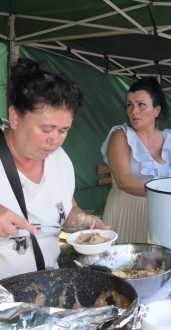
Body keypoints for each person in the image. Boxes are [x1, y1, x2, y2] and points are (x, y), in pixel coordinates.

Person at [0, 58, 107, 280]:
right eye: (47, 129)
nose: (55, 140)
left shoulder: (61, 160)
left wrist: (88, 224)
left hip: (45, 289)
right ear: (15, 117)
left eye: (63, 130)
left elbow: (67, 209)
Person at [101, 77, 171, 244]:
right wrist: (170, 191)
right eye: (130, 105)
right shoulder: (121, 136)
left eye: (141, 105)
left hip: (161, 213)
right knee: (128, 265)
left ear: (156, 111)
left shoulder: (170, 140)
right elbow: (124, 181)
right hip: (128, 211)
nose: (134, 111)